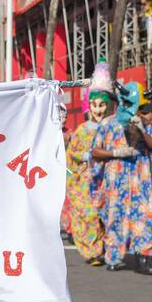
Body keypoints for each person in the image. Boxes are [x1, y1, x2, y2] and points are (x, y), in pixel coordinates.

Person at [93, 81, 152, 274]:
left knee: (144, 217)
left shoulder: (144, 122)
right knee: (116, 217)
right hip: (117, 182)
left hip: (140, 179)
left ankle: (143, 258)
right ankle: (113, 256)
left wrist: (140, 129)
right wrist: (115, 153)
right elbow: (95, 151)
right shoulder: (107, 124)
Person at [64, 59, 112, 265]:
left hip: (109, 179)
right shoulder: (83, 130)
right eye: (94, 104)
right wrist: (86, 156)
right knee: (89, 215)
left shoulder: (114, 127)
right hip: (86, 181)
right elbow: (73, 154)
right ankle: (93, 252)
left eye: (102, 105)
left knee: (108, 215)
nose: (98, 109)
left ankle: (109, 249)